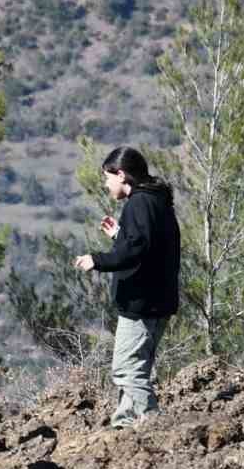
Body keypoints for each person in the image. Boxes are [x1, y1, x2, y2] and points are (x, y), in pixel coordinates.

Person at [73, 146, 181, 429]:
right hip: (157, 301)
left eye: (107, 177)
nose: (105, 184)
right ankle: (125, 424)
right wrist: (120, 235)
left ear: (121, 175)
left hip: (142, 304)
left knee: (125, 370)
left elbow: (135, 252)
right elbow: (147, 246)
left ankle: (154, 422)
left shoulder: (139, 204)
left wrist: (96, 260)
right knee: (137, 368)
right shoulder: (156, 201)